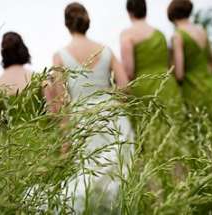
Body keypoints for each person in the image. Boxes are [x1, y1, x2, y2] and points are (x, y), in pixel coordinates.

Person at [48, 2, 134, 212]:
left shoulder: (60, 56)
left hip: (83, 120)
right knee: (118, 175)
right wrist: (109, 101)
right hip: (113, 116)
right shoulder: (106, 50)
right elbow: (125, 88)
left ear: (67, 24)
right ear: (87, 21)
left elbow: (60, 103)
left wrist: (65, 140)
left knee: (87, 175)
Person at [120, 0, 183, 134]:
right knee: (174, 131)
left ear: (129, 12)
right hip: (168, 85)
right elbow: (169, 63)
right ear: (145, 10)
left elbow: (129, 72)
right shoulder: (160, 34)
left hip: (144, 90)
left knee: (150, 135)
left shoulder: (127, 35)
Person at [168, 0, 212, 121]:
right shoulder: (202, 31)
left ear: (172, 16)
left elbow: (179, 74)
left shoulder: (177, 36)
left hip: (193, 90)